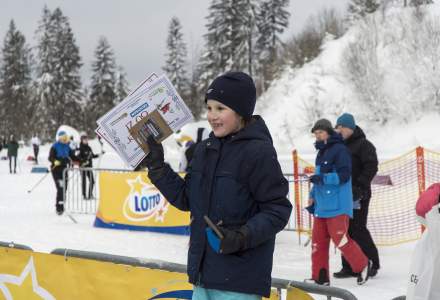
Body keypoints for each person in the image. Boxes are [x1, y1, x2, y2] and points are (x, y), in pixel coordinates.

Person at [137, 72, 292, 300]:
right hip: (203, 276)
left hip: (240, 282)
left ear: (241, 112)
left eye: (220, 109)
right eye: (209, 108)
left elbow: (277, 210)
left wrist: (242, 236)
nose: (212, 116)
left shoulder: (258, 152)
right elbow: (186, 199)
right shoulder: (204, 150)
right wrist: (158, 168)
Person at [307, 119, 371, 286]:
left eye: (320, 132)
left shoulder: (340, 150)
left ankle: (363, 265)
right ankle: (320, 277)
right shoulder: (320, 152)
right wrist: (312, 195)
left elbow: (344, 176)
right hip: (322, 205)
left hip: (337, 205)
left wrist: (322, 178)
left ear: (329, 132)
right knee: (317, 243)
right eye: (315, 133)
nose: (318, 135)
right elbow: (318, 177)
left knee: (340, 240)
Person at [334, 113, 380, 278]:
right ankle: (349, 266)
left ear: (350, 127)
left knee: (358, 229)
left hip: (359, 195)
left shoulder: (364, 145)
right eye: (337, 128)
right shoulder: (338, 146)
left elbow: (371, 167)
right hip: (342, 194)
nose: (339, 131)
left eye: (342, 128)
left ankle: (373, 262)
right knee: (344, 230)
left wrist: (360, 186)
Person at [49, 131, 77, 215]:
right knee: (60, 187)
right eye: (63, 138)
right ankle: (59, 207)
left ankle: (62, 204)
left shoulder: (67, 146)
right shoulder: (55, 146)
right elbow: (50, 157)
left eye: (66, 137)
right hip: (56, 169)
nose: (65, 139)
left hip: (64, 169)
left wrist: (80, 160)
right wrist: (55, 161)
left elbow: (72, 156)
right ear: (60, 138)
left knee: (64, 188)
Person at [78, 134, 99, 199]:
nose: (86, 141)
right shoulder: (80, 148)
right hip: (83, 167)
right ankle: (84, 195)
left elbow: (92, 156)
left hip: (89, 167)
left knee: (92, 181)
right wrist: (83, 161)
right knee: (84, 181)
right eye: (84, 140)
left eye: (87, 139)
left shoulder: (89, 148)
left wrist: (99, 154)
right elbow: (78, 158)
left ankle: (90, 195)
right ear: (81, 140)